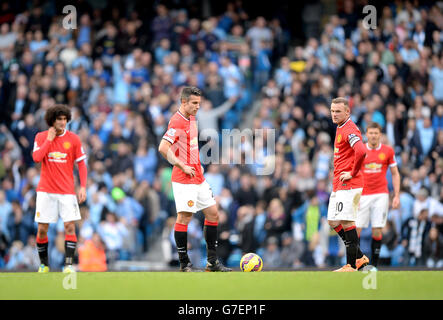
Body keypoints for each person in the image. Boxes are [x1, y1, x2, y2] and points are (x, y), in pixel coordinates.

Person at [158, 86, 232, 272]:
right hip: (183, 178)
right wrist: (182, 165)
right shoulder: (176, 121)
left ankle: (212, 262)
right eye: (195, 103)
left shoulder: (192, 118)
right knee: (185, 217)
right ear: (184, 102)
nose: (198, 107)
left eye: (199, 103)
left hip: (198, 176)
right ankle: (184, 263)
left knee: (213, 213)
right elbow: (163, 147)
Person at [32, 104, 87, 273]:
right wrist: (49, 139)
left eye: (65, 119)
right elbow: (36, 158)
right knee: (42, 229)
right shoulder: (41, 137)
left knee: (70, 227)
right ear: (52, 120)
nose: (63, 122)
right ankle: (44, 264)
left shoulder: (74, 139)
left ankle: (68, 265)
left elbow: (82, 164)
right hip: (46, 191)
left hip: (67, 191)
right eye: (59, 119)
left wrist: (83, 186)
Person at [327, 97, 368, 272]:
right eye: (332, 111)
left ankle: (351, 265)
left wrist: (352, 172)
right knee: (333, 220)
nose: (334, 114)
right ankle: (359, 257)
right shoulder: (340, 127)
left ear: (347, 112)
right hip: (339, 183)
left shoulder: (350, 128)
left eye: (338, 111)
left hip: (349, 183)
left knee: (346, 221)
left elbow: (361, 150)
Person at [356, 122, 401, 270]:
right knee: (356, 229)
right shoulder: (361, 150)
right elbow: (354, 172)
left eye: (376, 133)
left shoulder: (388, 151)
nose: (374, 136)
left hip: (381, 194)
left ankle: (374, 265)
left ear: (380, 135)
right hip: (363, 194)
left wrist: (396, 195)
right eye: (371, 133)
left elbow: (395, 174)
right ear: (366, 134)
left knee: (377, 229)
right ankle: (355, 261)